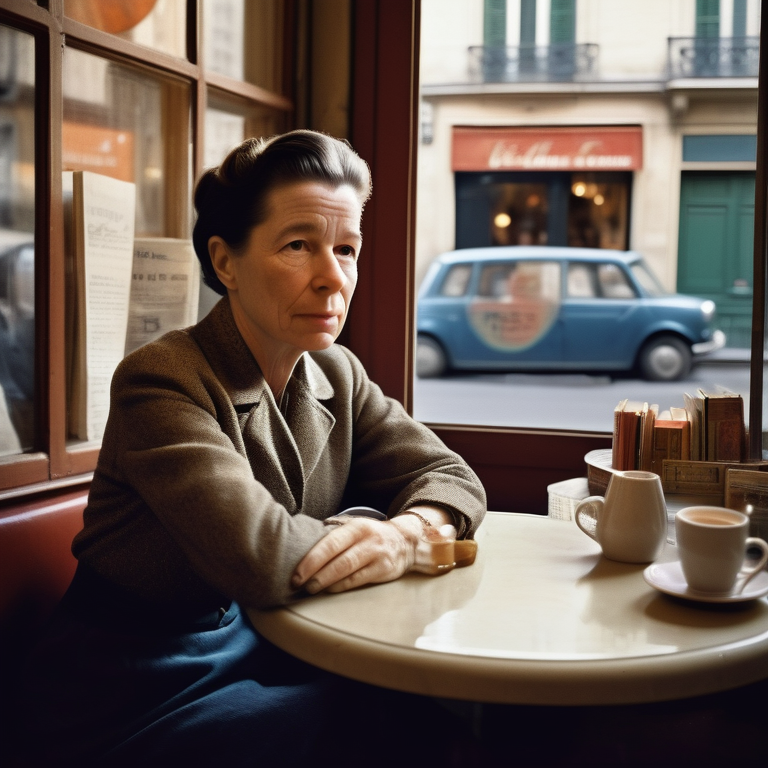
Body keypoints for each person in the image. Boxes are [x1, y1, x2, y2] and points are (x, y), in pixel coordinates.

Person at [22, 130, 486, 766]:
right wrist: (373, 526)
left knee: (427, 710)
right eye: (299, 245)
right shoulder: (160, 379)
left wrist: (404, 535)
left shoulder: (337, 374)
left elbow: (451, 476)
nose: (333, 278)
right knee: (381, 720)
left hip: (260, 643)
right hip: (133, 682)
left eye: (347, 249)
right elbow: (265, 559)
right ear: (226, 263)